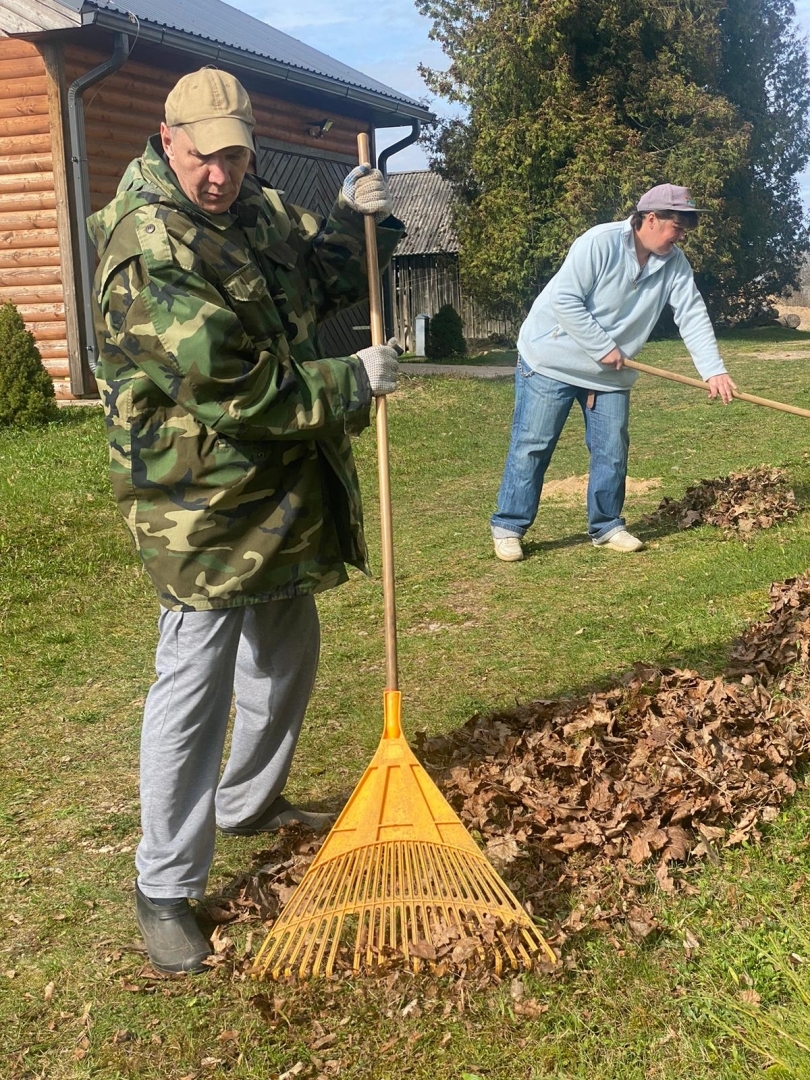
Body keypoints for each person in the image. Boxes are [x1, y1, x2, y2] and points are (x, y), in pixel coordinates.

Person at [88, 67, 403, 974]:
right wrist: (353, 380)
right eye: (203, 156)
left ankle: (251, 802)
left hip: (274, 489)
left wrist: (353, 216)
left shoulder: (255, 206)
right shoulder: (147, 248)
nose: (219, 174)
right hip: (196, 502)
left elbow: (326, 275)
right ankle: (166, 881)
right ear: (166, 137)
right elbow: (235, 388)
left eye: (234, 155)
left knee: (287, 645)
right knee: (195, 683)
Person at [490, 183, 737, 562]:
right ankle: (509, 527)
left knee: (611, 449)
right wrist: (602, 346)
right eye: (678, 226)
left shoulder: (675, 263)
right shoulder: (599, 242)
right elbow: (564, 299)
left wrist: (713, 371)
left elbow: (691, 314)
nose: (683, 235)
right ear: (650, 219)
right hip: (550, 359)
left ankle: (606, 526)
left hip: (608, 375)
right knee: (533, 444)